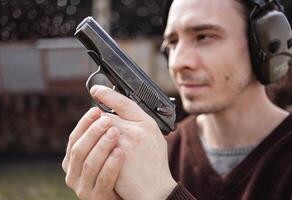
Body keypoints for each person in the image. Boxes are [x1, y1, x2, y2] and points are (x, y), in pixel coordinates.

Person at [62, 0, 292, 199]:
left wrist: (162, 194)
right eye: (171, 43)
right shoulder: (156, 150)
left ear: (264, 45)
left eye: (204, 36)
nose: (178, 62)